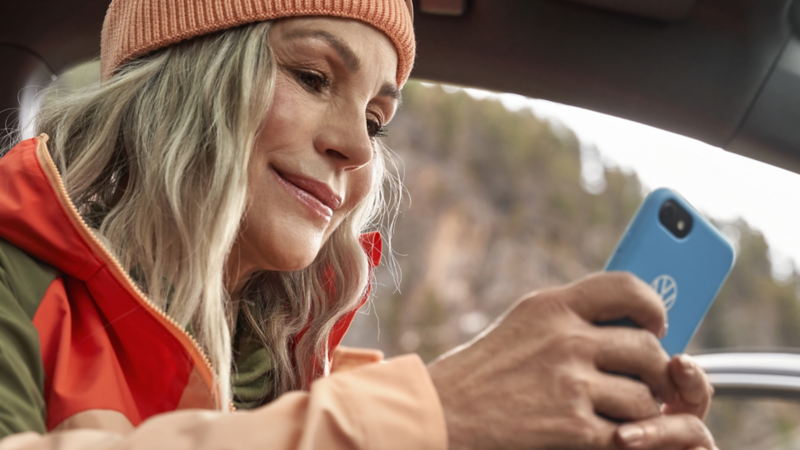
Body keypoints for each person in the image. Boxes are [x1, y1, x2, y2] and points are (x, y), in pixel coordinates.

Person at [0, 0, 717, 448]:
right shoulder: (14, 282)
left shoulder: (304, 378)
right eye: (312, 77)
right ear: (185, 79)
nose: (356, 145)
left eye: (378, 119)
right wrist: (434, 414)